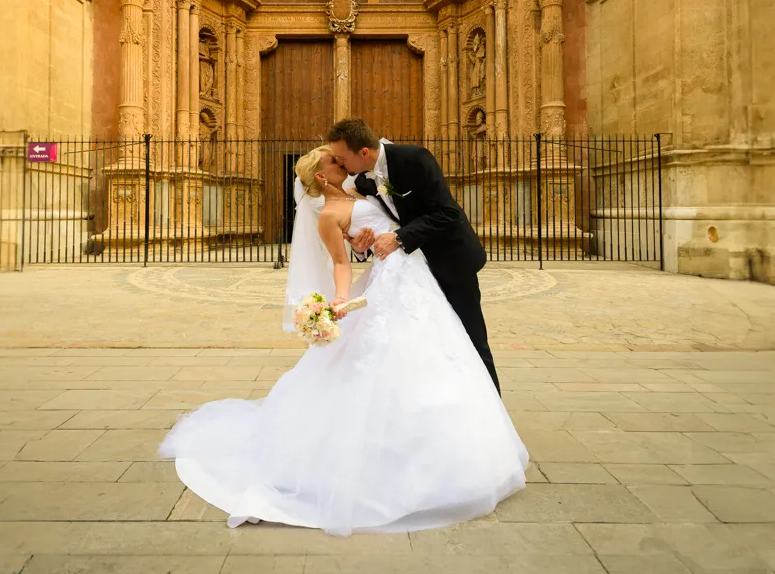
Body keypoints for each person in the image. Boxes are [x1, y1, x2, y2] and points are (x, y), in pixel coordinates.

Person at [159, 144, 528, 535]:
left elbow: (402, 216)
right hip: (389, 283)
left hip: (419, 275)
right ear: (322, 175)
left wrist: (372, 236)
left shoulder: (364, 188)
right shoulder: (328, 216)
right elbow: (340, 262)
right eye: (336, 163)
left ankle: (472, 437)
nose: (345, 165)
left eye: (342, 158)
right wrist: (340, 296)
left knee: (449, 351)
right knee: (392, 358)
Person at [327, 117, 500, 391]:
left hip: (450, 261)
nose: (339, 163)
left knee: (471, 340)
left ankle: (493, 413)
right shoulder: (363, 180)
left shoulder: (414, 158)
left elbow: (448, 213)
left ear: (363, 152)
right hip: (411, 273)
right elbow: (371, 224)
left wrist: (399, 238)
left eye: (341, 157)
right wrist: (360, 247)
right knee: (430, 344)